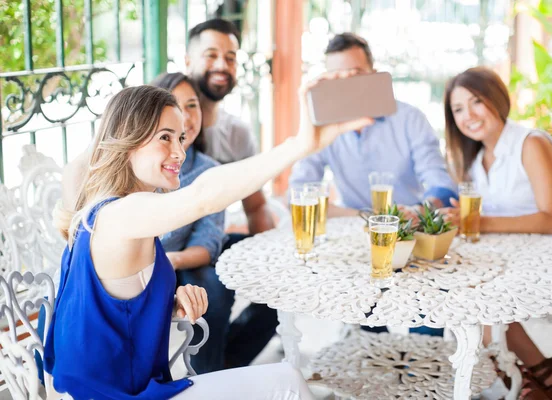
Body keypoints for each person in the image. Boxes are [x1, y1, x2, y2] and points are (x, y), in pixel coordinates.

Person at [44, 72, 372, 399]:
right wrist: (301, 145)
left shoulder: (111, 209)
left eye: (181, 139)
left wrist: (168, 304)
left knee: (289, 378)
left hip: (120, 386)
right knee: (289, 381)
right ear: (129, 139)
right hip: (116, 395)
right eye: (165, 137)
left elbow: (116, 306)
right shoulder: (119, 215)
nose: (179, 152)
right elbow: (204, 195)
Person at [442, 66, 552, 399]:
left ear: (496, 100)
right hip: (524, 260)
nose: (468, 115)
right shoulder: (476, 161)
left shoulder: (531, 143)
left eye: (476, 102)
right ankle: (535, 374)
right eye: (458, 109)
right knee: (463, 290)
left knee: (479, 300)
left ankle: (526, 376)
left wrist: (477, 222)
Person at [151, 72, 278, 374]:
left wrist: (172, 260)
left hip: (179, 258)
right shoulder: (147, 160)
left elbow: (208, 242)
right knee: (212, 287)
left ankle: (222, 366)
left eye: (192, 105)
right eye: (175, 106)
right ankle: (215, 372)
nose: (186, 116)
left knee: (268, 270)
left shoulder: (209, 169)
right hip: (142, 266)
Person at [289, 32, 457, 220]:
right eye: (336, 76)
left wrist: (421, 210)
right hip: (352, 225)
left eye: (355, 73)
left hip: (407, 225)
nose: (346, 84)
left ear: (374, 74)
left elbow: (441, 185)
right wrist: (368, 216)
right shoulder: (323, 127)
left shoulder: (410, 119)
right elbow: (298, 192)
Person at [185, 18, 275, 234]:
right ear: (188, 61)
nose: (221, 66)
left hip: (212, 244)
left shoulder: (238, 133)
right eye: (211, 55)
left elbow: (256, 207)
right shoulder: (162, 127)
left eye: (230, 58)